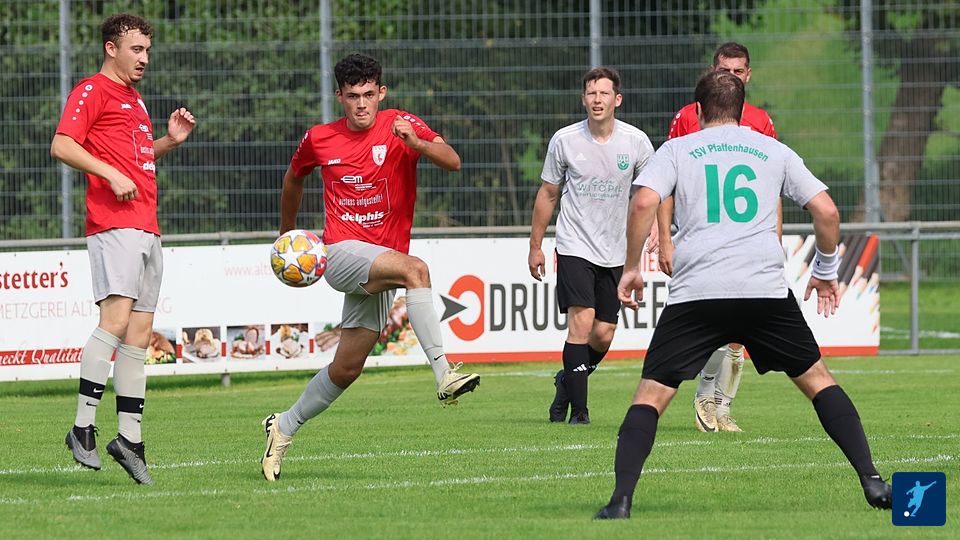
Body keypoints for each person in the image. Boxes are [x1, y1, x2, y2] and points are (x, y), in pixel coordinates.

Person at [593, 70, 892, 519]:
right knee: (818, 382)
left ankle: (620, 501)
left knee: (650, 396)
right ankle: (872, 479)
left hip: (698, 292)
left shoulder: (678, 149)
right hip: (763, 290)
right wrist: (825, 271)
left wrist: (632, 268)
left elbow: (642, 202)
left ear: (697, 110)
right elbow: (827, 212)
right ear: (741, 109)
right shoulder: (773, 150)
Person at [260, 53, 480, 481]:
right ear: (339, 96)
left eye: (367, 95)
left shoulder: (401, 124)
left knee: (346, 368)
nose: (361, 104)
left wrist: (417, 144)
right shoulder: (319, 138)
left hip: (380, 261)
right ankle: (444, 374)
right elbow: (293, 178)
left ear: (381, 92)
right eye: (352, 96)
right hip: (341, 253)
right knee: (417, 270)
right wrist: (287, 235)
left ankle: (283, 426)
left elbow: (453, 161)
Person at [51, 13, 196, 485]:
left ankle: (129, 439)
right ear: (111, 48)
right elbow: (62, 145)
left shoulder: (134, 100)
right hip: (113, 224)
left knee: (139, 333)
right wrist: (108, 174)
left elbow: (134, 157)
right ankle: (81, 428)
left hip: (147, 226)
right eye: (136, 49)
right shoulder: (92, 90)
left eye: (147, 50)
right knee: (114, 323)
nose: (144, 58)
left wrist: (169, 142)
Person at [659, 42, 779, 433]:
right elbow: (665, 182)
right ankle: (704, 393)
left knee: (739, 334)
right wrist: (665, 237)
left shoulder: (760, 121)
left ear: (749, 75)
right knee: (715, 322)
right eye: (724, 71)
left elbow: (772, 186)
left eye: (738, 71)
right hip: (701, 240)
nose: (731, 77)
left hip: (749, 242)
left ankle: (722, 408)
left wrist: (775, 240)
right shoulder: (688, 117)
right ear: (713, 72)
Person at [528, 67, 654, 424]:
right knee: (581, 325)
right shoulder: (565, 140)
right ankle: (579, 413)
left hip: (616, 251)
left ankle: (566, 383)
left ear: (617, 99)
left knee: (603, 334)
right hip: (574, 245)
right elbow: (548, 193)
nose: (597, 100)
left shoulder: (636, 142)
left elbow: (652, 191)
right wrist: (536, 246)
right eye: (591, 93)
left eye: (604, 93)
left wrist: (661, 232)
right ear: (583, 99)